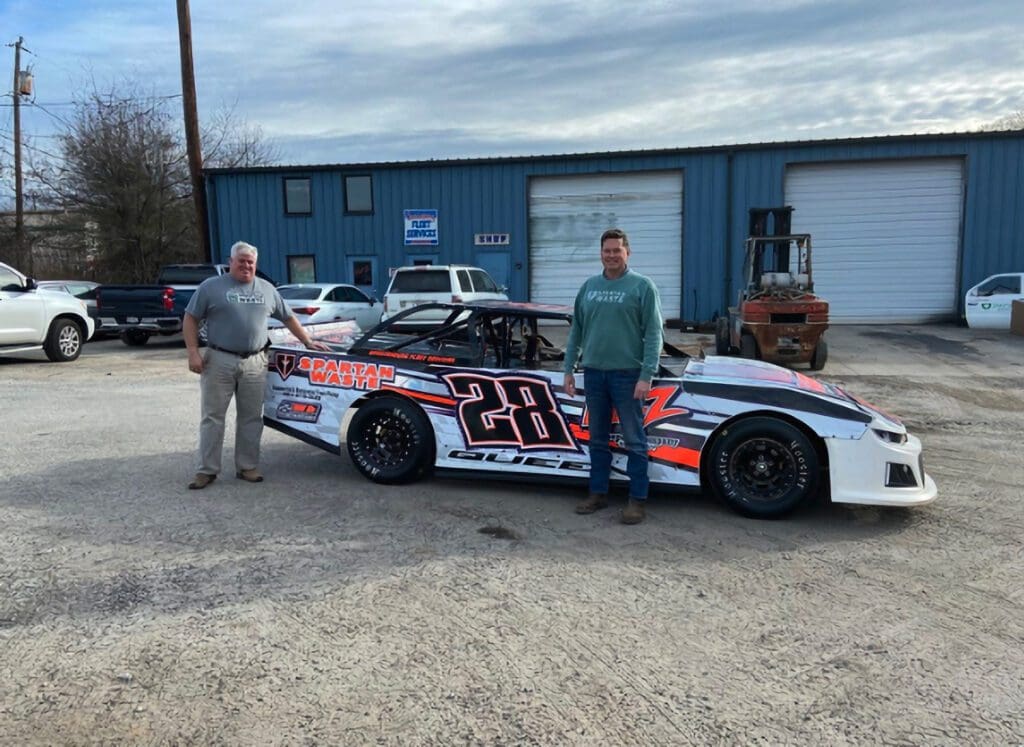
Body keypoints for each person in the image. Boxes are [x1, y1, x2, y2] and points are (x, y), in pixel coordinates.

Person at [183, 241, 331, 490]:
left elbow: (288, 316)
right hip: (219, 359)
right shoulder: (211, 287)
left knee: (251, 417)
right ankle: (207, 470)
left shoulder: (267, 289)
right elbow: (190, 317)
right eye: (241, 260)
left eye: (251, 261)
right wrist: (192, 352)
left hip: (256, 361)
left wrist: (307, 341)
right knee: (213, 417)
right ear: (230, 262)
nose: (246, 265)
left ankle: (247, 466)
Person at [563, 228, 663, 525]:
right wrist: (568, 369)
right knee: (597, 439)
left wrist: (647, 374)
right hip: (594, 375)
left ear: (627, 252)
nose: (611, 255)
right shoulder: (589, 287)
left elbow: (654, 333)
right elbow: (576, 331)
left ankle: (637, 500)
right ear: (600, 253)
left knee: (634, 440)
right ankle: (598, 493)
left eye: (616, 250)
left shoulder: (642, 287)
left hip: (628, 376)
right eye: (607, 251)